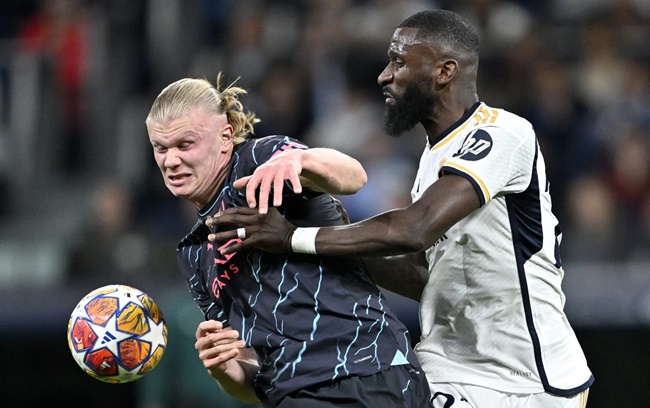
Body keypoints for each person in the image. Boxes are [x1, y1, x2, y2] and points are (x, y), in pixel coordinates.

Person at [207, 9, 594, 408]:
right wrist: (339, 237)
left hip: (526, 379)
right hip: (452, 368)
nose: (384, 75)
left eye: (399, 62)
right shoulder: (432, 160)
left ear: (444, 71)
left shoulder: (503, 133)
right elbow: (425, 278)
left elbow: (416, 227)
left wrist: (293, 238)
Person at [145, 73, 432, 408]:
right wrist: (227, 371)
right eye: (160, 148)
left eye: (185, 144)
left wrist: (299, 159)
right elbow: (252, 382)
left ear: (225, 137)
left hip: (363, 372)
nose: (171, 160)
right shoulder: (194, 254)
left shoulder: (258, 160)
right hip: (292, 396)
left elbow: (353, 176)